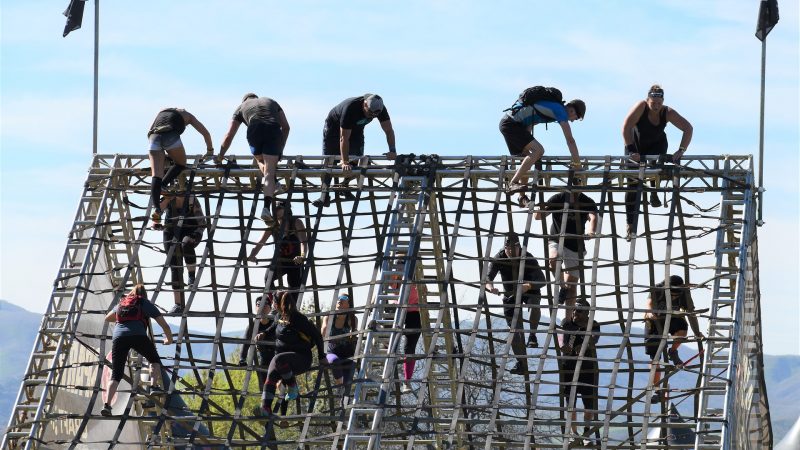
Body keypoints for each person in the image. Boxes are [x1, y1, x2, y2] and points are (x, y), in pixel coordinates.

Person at [621, 84, 693, 239]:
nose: (656, 106)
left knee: (656, 165)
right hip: (636, 146)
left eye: (659, 103)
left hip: (656, 146)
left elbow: (688, 128)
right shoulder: (641, 107)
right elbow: (626, 127)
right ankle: (630, 224)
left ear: (663, 102)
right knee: (633, 185)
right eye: (653, 103)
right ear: (648, 100)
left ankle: (654, 190)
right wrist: (632, 150)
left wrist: (681, 150)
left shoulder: (667, 112)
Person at [500, 89, 586, 208]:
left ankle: (521, 197)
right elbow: (570, 141)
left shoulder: (551, 108)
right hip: (511, 125)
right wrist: (578, 165)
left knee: (527, 158)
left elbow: (530, 121)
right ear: (571, 109)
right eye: (575, 118)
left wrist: (526, 142)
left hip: (510, 124)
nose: (572, 120)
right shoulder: (560, 110)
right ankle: (513, 183)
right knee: (538, 150)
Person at [216, 93, 291, 224]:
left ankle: (275, 182)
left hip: (254, 129)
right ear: (256, 97)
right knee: (269, 171)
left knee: (260, 160)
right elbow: (286, 127)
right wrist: (280, 148)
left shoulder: (241, 107)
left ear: (245, 100)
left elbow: (229, 135)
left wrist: (220, 155)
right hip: (273, 129)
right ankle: (266, 206)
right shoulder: (271, 100)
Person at [101, 284, 174, 417]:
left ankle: (107, 405)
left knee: (116, 374)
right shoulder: (144, 302)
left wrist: (121, 318)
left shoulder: (123, 303)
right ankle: (153, 387)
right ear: (144, 294)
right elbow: (164, 325)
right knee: (154, 359)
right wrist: (169, 339)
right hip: (138, 335)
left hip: (119, 338)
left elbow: (108, 318)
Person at [314, 94, 396, 207]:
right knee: (330, 160)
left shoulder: (379, 109)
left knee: (357, 157)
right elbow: (344, 138)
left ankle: (345, 186)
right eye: (370, 112)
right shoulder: (351, 108)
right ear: (364, 104)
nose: (372, 115)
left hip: (356, 130)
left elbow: (388, 130)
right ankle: (324, 195)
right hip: (334, 129)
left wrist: (392, 150)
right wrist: (344, 161)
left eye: (375, 114)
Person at [484, 232, 546, 375]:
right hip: (510, 294)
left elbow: (542, 280)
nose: (511, 251)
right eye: (508, 248)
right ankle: (521, 363)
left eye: (514, 248)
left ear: (519, 247)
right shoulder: (499, 258)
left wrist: (529, 285)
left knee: (535, 304)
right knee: (514, 331)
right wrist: (490, 287)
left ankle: (532, 335)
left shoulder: (528, 258)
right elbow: (487, 277)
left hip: (529, 290)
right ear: (504, 248)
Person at [533, 180, 597, 308]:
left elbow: (593, 217)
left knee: (572, 286)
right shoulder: (559, 198)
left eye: (579, 181)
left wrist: (591, 232)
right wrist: (539, 208)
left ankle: (568, 320)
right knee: (553, 259)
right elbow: (538, 216)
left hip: (575, 245)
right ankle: (562, 287)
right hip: (556, 239)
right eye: (574, 181)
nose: (575, 184)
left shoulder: (587, 201)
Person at [260, 291, 326, 415]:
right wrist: (264, 333)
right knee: (271, 374)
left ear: (278, 303)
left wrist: (322, 356)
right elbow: (274, 326)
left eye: (273, 302)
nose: (272, 304)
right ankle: (265, 408)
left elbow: (317, 336)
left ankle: (292, 387)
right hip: (283, 362)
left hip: (301, 359)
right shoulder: (279, 316)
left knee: (278, 359)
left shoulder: (298, 319)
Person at [147, 108, 213, 227]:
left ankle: (157, 209)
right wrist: (210, 150)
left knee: (156, 175)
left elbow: (149, 130)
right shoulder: (188, 115)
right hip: (170, 135)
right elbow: (205, 133)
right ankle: (164, 184)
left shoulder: (161, 112)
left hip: (153, 138)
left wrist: (162, 153)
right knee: (181, 163)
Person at [644, 275, 704, 400]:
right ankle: (657, 389)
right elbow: (649, 304)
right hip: (655, 322)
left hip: (673, 319)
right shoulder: (658, 289)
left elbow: (691, 313)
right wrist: (650, 313)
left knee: (682, 329)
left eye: (676, 295)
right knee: (655, 359)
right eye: (672, 294)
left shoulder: (684, 293)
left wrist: (697, 332)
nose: (674, 297)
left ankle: (673, 351)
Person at [558, 299, 600, 444]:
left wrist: (583, 345)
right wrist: (563, 346)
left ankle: (587, 433)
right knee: (571, 403)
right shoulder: (567, 322)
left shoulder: (593, 325)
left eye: (579, 311)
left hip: (588, 368)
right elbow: (561, 336)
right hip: (569, 367)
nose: (575, 313)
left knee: (589, 405)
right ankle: (574, 434)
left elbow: (594, 339)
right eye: (574, 310)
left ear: (587, 313)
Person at [158, 192, 207, 315]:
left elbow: (202, 221)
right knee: (174, 266)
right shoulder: (168, 198)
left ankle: (191, 276)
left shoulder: (191, 199)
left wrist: (198, 233)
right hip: (171, 230)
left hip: (190, 229)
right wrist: (156, 222)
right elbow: (156, 212)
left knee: (186, 244)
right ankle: (178, 304)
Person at [248, 201, 308, 293]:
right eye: (274, 209)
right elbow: (260, 242)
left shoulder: (296, 222)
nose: (275, 211)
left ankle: (290, 305)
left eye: (278, 208)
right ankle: (275, 302)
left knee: (295, 290)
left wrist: (302, 256)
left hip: (295, 262)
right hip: (280, 260)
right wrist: (252, 254)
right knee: (268, 279)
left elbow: (303, 242)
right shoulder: (272, 225)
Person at [239, 294, 277, 388]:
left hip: (277, 356)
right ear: (255, 308)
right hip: (263, 358)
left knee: (281, 384)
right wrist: (242, 359)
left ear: (269, 307)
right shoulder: (253, 326)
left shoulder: (275, 322)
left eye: (265, 305)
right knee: (264, 386)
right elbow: (245, 343)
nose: (262, 308)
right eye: (259, 305)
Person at [320, 294, 358, 390]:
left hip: (346, 351)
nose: (340, 300)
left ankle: (343, 395)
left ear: (348, 304)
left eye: (344, 298)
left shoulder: (352, 319)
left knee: (347, 381)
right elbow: (323, 333)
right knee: (334, 361)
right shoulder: (329, 317)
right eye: (339, 298)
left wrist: (352, 338)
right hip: (331, 350)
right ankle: (339, 386)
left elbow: (353, 336)